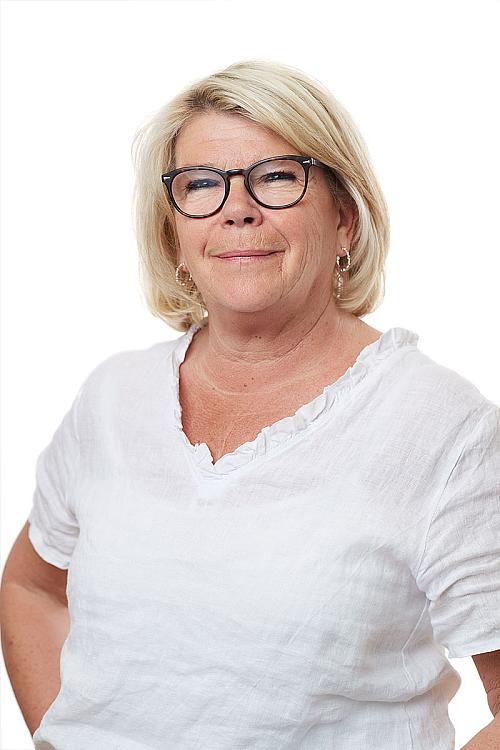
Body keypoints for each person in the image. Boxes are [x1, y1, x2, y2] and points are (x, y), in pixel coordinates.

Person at [1, 58, 500, 750]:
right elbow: (31, 587)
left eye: (277, 177)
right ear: (174, 234)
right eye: (202, 183)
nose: (237, 207)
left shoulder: (440, 426)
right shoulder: (113, 399)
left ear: (345, 219)